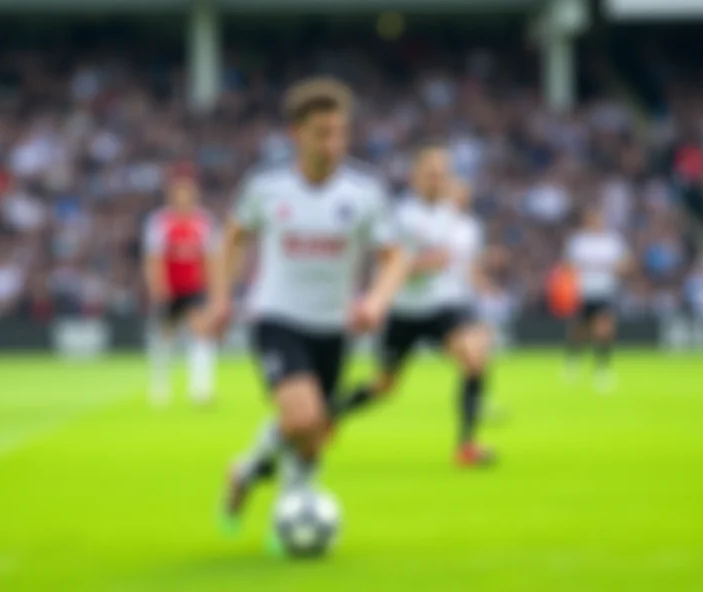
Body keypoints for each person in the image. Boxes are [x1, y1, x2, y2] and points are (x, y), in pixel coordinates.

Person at [208, 77, 409, 534]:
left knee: (314, 434)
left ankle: (247, 469)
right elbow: (234, 238)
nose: (332, 143)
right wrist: (222, 300)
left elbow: (395, 256)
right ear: (296, 133)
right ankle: (292, 509)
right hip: (276, 318)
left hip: (334, 328)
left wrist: (376, 301)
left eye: (339, 132)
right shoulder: (266, 187)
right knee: (303, 418)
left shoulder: (363, 193)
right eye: (321, 132)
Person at [333, 146, 496, 467]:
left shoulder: (452, 214)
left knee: (475, 357)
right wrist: (423, 264)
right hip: (404, 310)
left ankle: (466, 445)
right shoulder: (400, 215)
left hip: (444, 305)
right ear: (416, 177)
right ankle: (330, 414)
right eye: (431, 174)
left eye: (442, 174)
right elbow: (387, 266)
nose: (437, 180)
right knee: (383, 386)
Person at [143, 164, 219, 406]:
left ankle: (200, 389)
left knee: (201, 334)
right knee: (164, 338)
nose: (184, 198)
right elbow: (153, 259)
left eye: (188, 193)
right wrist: (158, 288)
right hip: (170, 289)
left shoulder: (204, 222)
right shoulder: (159, 223)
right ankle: (160, 387)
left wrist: (213, 288)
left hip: (195, 287)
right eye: (179, 194)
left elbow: (211, 259)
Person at [563, 208, 632, 392]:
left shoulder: (613, 241)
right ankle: (573, 360)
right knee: (581, 329)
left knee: (604, 327)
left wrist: (618, 268)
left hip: (606, 291)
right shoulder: (579, 242)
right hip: (584, 292)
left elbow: (625, 263)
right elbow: (569, 265)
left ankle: (602, 368)